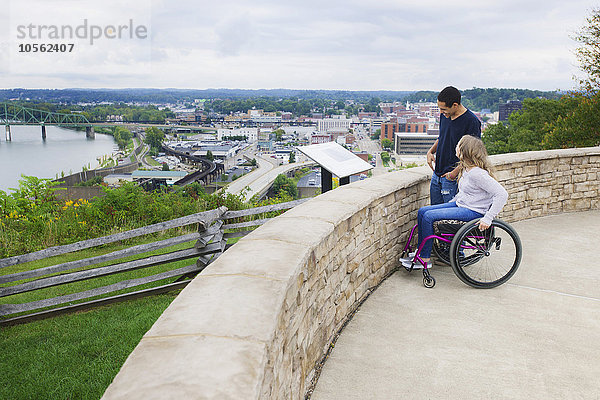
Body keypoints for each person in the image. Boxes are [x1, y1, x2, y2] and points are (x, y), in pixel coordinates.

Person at [401, 135, 508, 270]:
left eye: (458, 145)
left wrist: (488, 218)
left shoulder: (478, 174)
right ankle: (421, 251)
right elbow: (464, 193)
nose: (455, 147)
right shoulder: (466, 169)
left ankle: (425, 258)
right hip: (462, 204)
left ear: (464, 151)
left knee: (429, 217)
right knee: (423, 211)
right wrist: (447, 206)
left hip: (474, 211)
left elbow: (502, 194)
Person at [427, 86, 481, 205]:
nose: (441, 112)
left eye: (444, 109)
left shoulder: (471, 122)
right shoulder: (445, 115)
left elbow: (473, 155)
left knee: (448, 217)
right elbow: (443, 137)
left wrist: (454, 173)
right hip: (437, 175)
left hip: (453, 179)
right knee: (433, 213)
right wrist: (430, 151)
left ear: (455, 105)